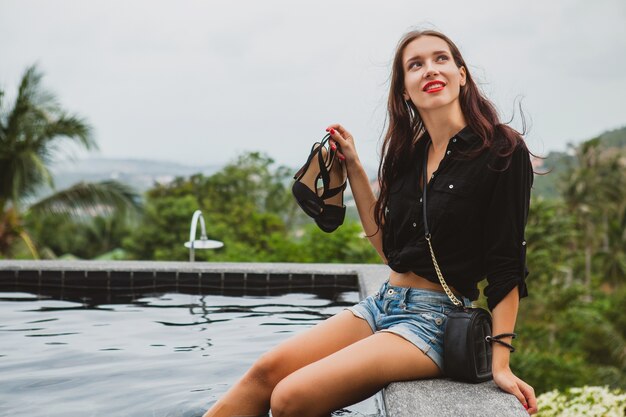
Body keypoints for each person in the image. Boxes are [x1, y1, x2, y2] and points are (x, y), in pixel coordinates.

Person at [203, 29, 538, 417]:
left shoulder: (501, 149)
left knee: (290, 398)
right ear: (405, 92)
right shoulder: (411, 155)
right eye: (416, 65)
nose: (430, 69)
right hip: (384, 303)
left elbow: (506, 264)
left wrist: (501, 362)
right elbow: (391, 253)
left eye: (440, 59)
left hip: (435, 322)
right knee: (264, 375)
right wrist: (356, 171)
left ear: (462, 74)